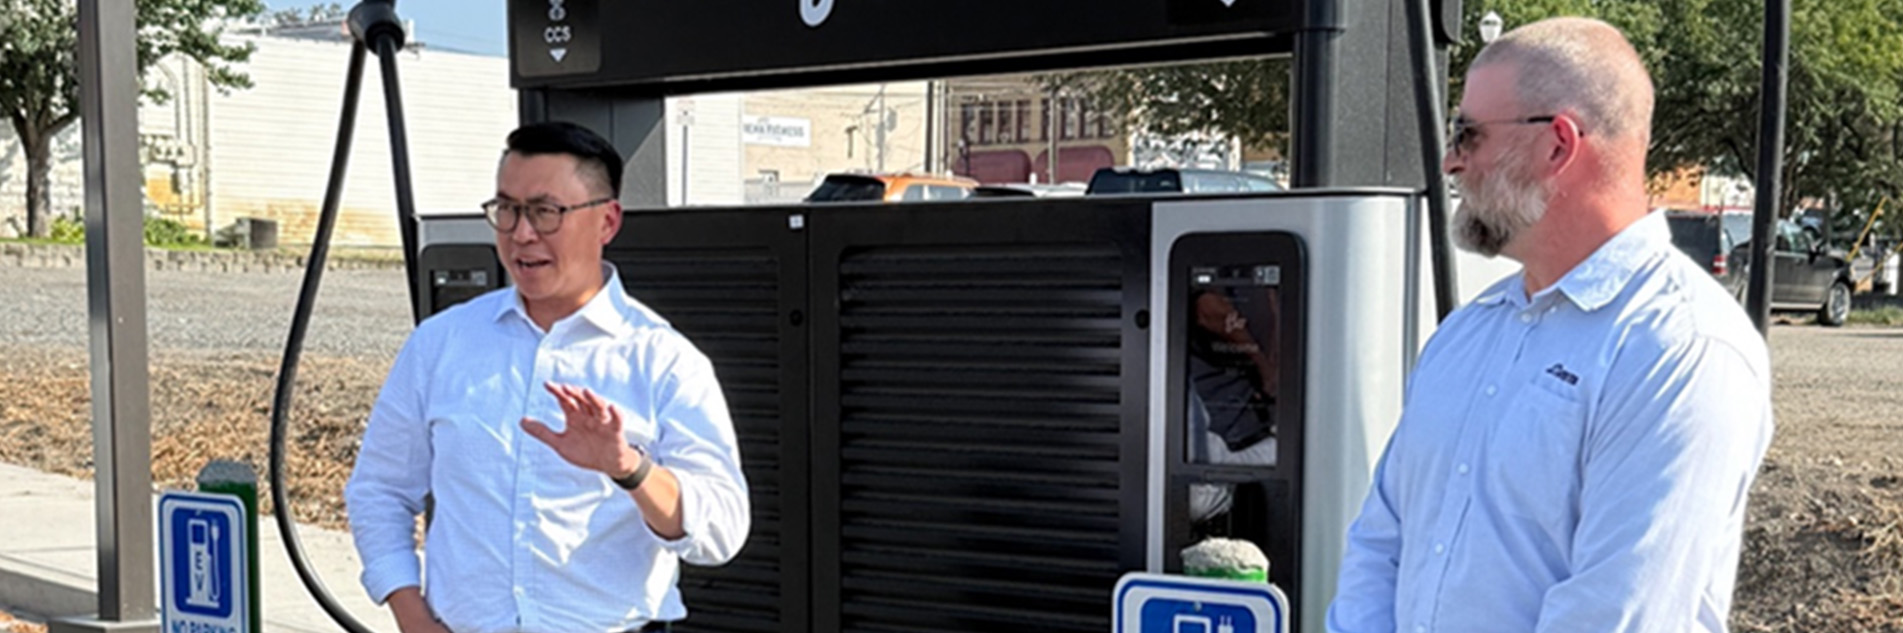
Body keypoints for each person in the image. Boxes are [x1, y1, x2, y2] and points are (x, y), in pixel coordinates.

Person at [1326, 17, 1773, 633]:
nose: (1451, 161)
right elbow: (1381, 543)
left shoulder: (1680, 347)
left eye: (1469, 134)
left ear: (1558, 145)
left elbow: (1618, 614)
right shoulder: (1469, 333)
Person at [345, 121, 750, 633]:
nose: (521, 233)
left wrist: (630, 470)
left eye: (545, 211)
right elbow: (378, 490)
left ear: (607, 222)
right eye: (506, 209)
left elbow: (723, 531)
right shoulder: (441, 343)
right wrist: (412, 616)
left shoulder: (662, 360)